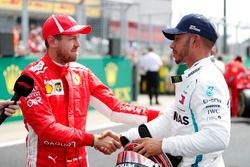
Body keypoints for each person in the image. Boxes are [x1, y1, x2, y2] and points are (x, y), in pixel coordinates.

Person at [19, 14, 160, 167]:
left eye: (78, 38)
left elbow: (115, 108)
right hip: (45, 163)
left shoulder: (83, 73)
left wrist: (160, 116)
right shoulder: (32, 76)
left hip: (79, 162)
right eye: (72, 38)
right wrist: (93, 140)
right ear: (52, 41)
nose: (78, 44)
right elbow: (47, 129)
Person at [120, 14, 231, 167]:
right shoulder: (192, 76)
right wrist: (124, 137)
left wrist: (163, 145)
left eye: (177, 38)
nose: (172, 45)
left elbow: (217, 137)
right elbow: (172, 118)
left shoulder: (206, 80)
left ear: (194, 40)